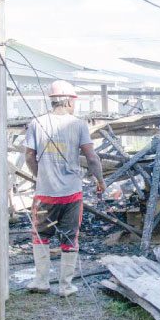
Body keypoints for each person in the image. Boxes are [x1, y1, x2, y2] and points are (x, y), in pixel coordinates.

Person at [23, 80, 106, 297]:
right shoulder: (78, 125)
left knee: (40, 235)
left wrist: (40, 176)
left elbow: (29, 156)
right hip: (71, 194)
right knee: (70, 236)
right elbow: (91, 157)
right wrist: (100, 180)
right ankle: (65, 286)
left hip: (44, 194)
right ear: (69, 101)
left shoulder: (36, 123)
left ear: (52, 101)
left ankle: (41, 282)